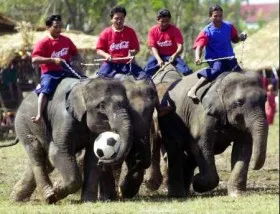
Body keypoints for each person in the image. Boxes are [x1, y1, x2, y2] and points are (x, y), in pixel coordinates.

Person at [31, 14, 85, 123]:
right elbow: (34, 60)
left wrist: (79, 61)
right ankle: (39, 115)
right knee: (45, 90)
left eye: (60, 26)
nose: (59, 29)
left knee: (84, 80)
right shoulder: (43, 43)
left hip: (67, 70)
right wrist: (52, 60)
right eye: (55, 27)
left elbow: (75, 54)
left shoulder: (66, 40)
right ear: (48, 28)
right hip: (50, 73)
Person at [188, 5, 247, 100]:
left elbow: (235, 39)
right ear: (210, 17)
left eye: (220, 16)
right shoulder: (207, 31)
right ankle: (193, 89)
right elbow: (199, 46)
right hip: (215, 59)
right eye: (215, 16)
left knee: (240, 75)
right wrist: (197, 57)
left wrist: (241, 37)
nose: (218, 18)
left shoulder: (229, 26)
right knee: (217, 69)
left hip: (229, 58)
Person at [96, 6, 145, 80]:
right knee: (99, 82)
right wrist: (106, 55)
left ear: (124, 19)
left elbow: (136, 49)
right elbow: (99, 50)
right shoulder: (105, 33)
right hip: (110, 64)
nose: (119, 21)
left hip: (127, 64)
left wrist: (133, 52)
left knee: (145, 78)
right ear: (111, 19)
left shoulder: (130, 32)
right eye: (116, 18)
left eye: (121, 18)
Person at [144, 8, 192, 78]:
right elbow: (153, 47)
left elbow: (180, 46)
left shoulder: (175, 30)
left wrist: (175, 55)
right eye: (162, 21)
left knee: (186, 70)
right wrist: (158, 59)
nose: (165, 23)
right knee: (145, 71)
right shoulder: (152, 31)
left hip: (172, 56)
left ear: (169, 20)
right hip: (158, 56)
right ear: (157, 20)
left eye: (167, 21)